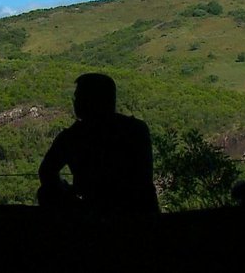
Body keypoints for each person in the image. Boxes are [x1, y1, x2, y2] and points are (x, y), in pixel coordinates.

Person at [37, 73, 159, 214]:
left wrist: (67, 191)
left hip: (92, 211)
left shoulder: (72, 137)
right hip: (139, 213)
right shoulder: (136, 129)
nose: (75, 102)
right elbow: (144, 180)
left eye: (78, 98)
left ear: (87, 101)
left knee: (45, 193)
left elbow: (46, 172)